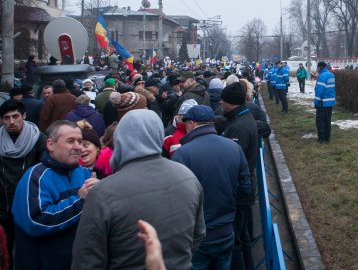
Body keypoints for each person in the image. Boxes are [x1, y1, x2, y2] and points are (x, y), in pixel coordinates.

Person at [71, 109, 205, 270]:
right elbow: (198, 234)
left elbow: (86, 261)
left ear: (121, 140)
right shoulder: (188, 176)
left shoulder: (103, 192)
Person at [12, 120, 99, 270]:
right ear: (51, 145)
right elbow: (38, 221)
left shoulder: (84, 173)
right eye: (70, 141)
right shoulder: (36, 176)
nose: (78, 146)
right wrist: (81, 200)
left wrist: (100, 192)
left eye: (80, 141)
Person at [172, 105, 251, 270]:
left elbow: (176, 199)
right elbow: (245, 187)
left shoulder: (182, 154)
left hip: (198, 237)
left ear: (192, 123)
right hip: (227, 230)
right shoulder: (234, 147)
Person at [0, 100, 47, 267]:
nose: (11, 122)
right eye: (6, 118)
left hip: (29, 206)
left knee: (28, 252)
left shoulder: (38, 138)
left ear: (24, 116)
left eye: (15, 116)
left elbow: (45, 170)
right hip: (3, 207)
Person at [220, 82, 258, 270]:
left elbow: (234, 163)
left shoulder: (240, 127)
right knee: (241, 237)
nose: (220, 102)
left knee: (236, 240)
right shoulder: (240, 118)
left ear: (231, 103)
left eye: (223, 100)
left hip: (239, 193)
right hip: (242, 190)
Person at [314, 61, 336, 143]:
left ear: (320, 67)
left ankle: (321, 138)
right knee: (327, 120)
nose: (317, 69)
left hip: (322, 102)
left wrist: (316, 102)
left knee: (320, 121)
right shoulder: (331, 74)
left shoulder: (322, 76)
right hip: (330, 102)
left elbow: (320, 90)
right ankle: (327, 137)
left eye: (317, 67)